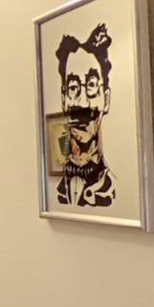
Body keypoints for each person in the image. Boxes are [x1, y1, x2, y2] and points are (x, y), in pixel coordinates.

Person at [54, 23, 116, 207]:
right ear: (63, 99)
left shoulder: (111, 189)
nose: (82, 102)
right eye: (73, 87)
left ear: (106, 99)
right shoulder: (57, 191)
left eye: (91, 86)